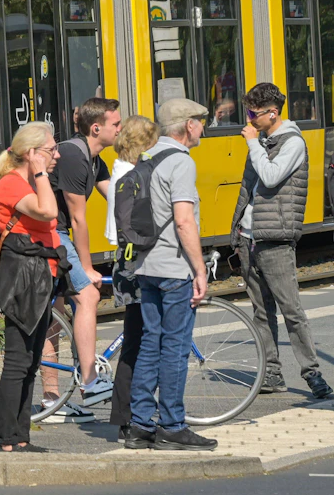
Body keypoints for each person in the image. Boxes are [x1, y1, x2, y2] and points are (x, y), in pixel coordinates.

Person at [123, 97, 218, 452]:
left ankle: (139, 425)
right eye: (200, 122)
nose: (203, 129)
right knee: (175, 348)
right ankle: (173, 426)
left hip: (145, 266)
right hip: (174, 268)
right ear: (188, 125)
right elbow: (183, 219)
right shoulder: (180, 162)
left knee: (150, 342)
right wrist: (199, 269)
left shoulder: (146, 157)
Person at [234, 82, 334, 400]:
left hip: (275, 238)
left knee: (291, 310)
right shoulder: (264, 139)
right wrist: (236, 230)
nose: (249, 120)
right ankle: (272, 373)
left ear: (272, 113)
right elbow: (248, 189)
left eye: (253, 114)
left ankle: (313, 374)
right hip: (249, 237)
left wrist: (252, 145)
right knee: (261, 312)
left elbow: (271, 176)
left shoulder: (292, 143)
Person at [45, 97, 121, 422]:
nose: (120, 128)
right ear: (96, 128)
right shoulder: (74, 156)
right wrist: (87, 269)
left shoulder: (94, 159)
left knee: (55, 315)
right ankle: (89, 383)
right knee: (88, 294)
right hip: (48, 232)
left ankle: (51, 403)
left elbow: (119, 197)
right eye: (115, 124)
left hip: (53, 231)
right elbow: (78, 220)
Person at [0, 122, 62, 452]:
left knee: (31, 360)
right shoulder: (11, 184)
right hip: (23, 281)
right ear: (32, 153)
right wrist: (41, 173)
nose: (57, 155)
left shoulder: (29, 182)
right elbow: (47, 212)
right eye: (51, 150)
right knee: (18, 360)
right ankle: (7, 437)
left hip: (39, 278)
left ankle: (21, 437)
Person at [105, 114, 157, 431]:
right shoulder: (131, 175)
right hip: (136, 262)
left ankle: (126, 413)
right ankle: (128, 415)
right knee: (139, 341)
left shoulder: (121, 171)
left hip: (128, 259)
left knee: (136, 340)